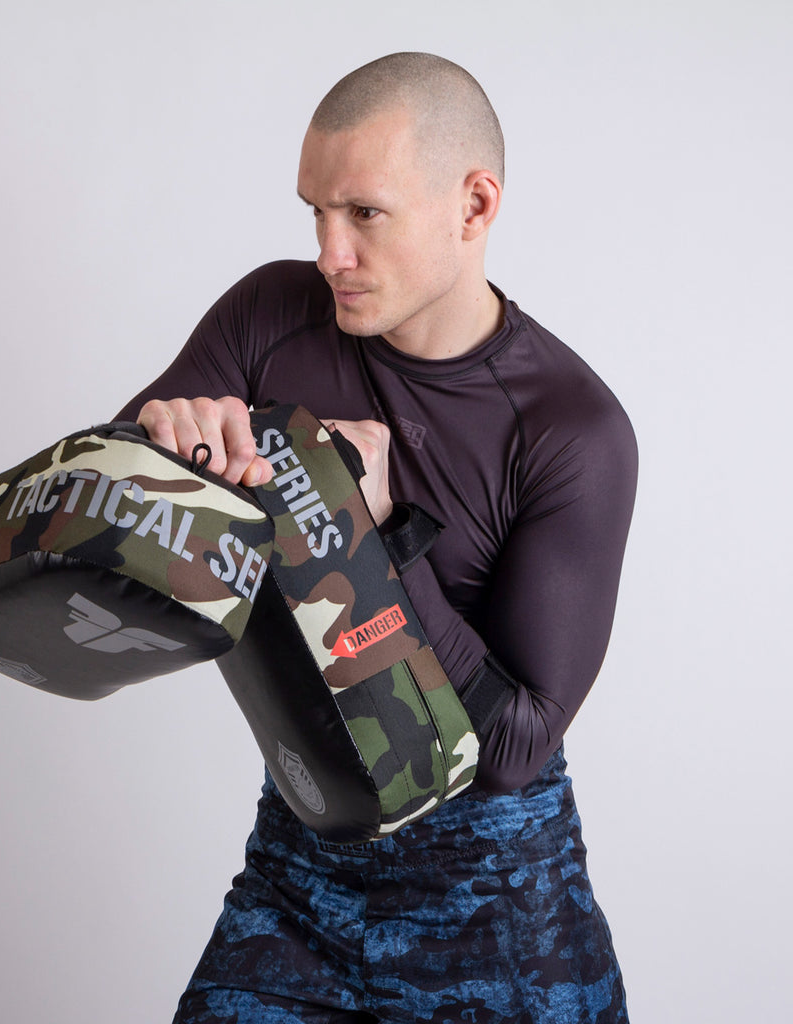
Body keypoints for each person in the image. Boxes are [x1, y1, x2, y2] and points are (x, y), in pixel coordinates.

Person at [117, 52, 636, 1024]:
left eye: (364, 213)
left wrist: (378, 530)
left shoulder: (570, 430)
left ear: (473, 206)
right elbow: (111, 531)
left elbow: (515, 746)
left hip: (499, 913)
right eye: (315, 211)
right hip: (302, 868)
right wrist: (155, 445)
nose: (329, 253)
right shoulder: (271, 316)